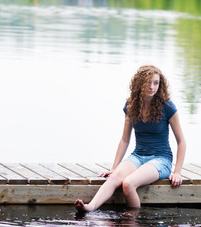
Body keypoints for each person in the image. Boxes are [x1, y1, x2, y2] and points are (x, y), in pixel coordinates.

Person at [74, 65, 186, 212]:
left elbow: (181, 141)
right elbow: (125, 139)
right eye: (148, 82)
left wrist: (177, 172)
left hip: (161, 159)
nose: (152, 86)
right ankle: (90, 207)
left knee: (128, 184)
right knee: (114, 178)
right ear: (139, 83)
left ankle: (134, 222)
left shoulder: (167, 107)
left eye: (156, 83)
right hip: (138, 156)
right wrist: (114, 167)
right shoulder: (131, 105)